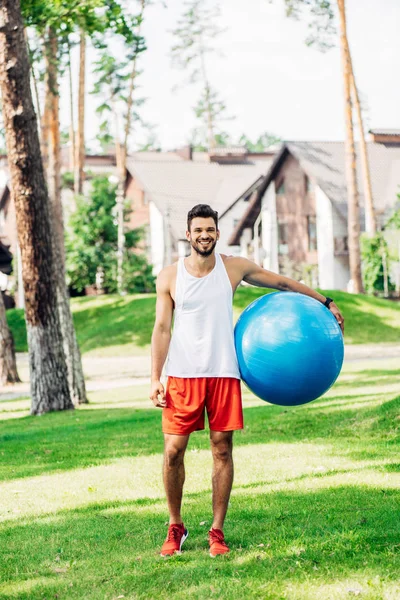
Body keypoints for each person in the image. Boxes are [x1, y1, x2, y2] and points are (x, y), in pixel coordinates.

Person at [150, 203, 344, 558]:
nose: (204, 235)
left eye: (210, 229)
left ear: (217, 233)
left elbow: (282, 282)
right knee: (173, 451)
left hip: (224, 373)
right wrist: (155, 377)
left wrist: (325, 300)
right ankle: (175, 525)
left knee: (222, 449)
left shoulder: (233, 267)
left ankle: (217, 531)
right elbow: (162, 328)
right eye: (198, 230)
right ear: (188, 234)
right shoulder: (170, 276)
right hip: (181, 375)